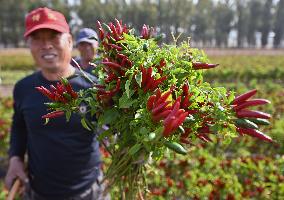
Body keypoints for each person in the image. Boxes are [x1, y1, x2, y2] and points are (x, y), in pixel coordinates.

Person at [4, 7, 110, 200]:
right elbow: (19, 127)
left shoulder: (94, 87)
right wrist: (15, 158)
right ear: (30, 46)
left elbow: (114, 125)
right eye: (37, 38)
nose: (46, 45)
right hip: (38, 192)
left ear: (69, 41)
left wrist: (136, 145)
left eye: (54, 37)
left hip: (89, 192)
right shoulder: (24, 88)